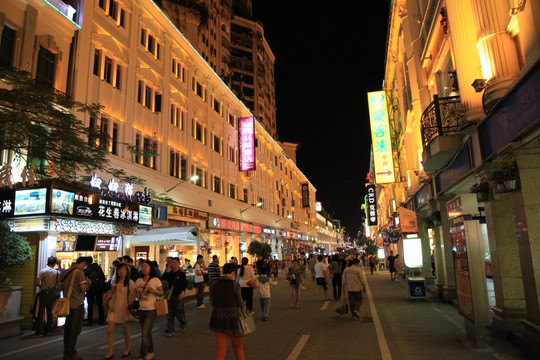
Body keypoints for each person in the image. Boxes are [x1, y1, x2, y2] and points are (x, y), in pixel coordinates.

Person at [209, 263, 245, 360]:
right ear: (233, 272)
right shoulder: (235, 285)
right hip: (234, 320)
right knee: (238, 350)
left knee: (220, 351)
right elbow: (240, 303)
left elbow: (212, 301)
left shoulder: (214, 284)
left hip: (218, 319)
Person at [104, 263, 136, 360]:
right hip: (114, 307)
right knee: (109, 330)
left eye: (124, 270)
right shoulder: (114, 281)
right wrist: (113, 290)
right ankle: (110, 352)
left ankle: (127, 349)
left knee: (125, 330)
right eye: (120, 270)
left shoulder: (130, 283)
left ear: (127, 272)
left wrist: (129, 305)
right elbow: (111, 294)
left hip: (124, 307)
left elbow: (133, 295)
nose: (121, 272)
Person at [59, 256, 89, 360]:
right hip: (77, 304)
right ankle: (70, 353)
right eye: (85, 265)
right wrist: (87, 283)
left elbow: (59, 287)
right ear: (83, 264)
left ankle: (66, 351)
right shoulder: (80, 273)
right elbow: (83, 288)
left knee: (67, 329)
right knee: (74, 330)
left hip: (67, 304)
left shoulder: (64, 272)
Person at [136, 261, 164, 360]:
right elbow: (134, 295)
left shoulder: (155, 280)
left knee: (144, 333)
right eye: (142, 267)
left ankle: (142, 355)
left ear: (150, 268)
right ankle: (151, 352)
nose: (143, 268)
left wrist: (154, 291)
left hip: (151, 309)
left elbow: (161, 293)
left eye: (145, 266)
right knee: (147, 332)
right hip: (140, 309)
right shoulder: (138, 281)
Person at [34, 256, 60, 337]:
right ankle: (48, 330)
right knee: (50, 312)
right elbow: (59, 282)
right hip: (52, 294)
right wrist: (60, 265)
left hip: (43, 293)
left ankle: (39, 330)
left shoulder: (42, 271)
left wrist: (42, 287)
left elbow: (37, 282)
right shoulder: (57, 272)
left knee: (40, 312)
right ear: (55, 263)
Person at [161, 257, 187, 337]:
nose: (173, 264)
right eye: (172, 262)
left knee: (177, 311)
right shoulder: (170, 273)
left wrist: (182, 293)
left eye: (175, 262)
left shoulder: (181, 274)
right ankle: (171, 331)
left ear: (179, 263)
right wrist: (168, 271)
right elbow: (163, 278)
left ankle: (183, 322)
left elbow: (184, 284)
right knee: (170, 313)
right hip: (170, 295)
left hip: (178, 294)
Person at [84, 256, 106, 326]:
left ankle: (89, 321)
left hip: (90, 289)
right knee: (100, 304)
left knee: (90, 305)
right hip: (99, 288)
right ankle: (101, 320)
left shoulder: (86, 270)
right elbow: (103, 277)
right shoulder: (98, 267)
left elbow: (85, 281)